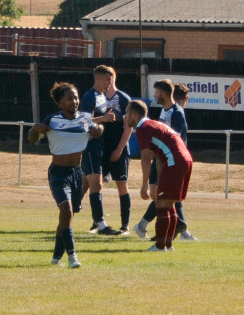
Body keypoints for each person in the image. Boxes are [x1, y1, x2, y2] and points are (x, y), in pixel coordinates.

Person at [28, 82, 104, 268]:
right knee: (66, 211)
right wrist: (34, 130)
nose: (74, 101)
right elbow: (31, 139)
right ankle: (72, 256)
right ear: (60, 102)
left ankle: (56, 258)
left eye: (76, 97)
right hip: (58, 174)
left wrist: (99, 130)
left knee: (67, 216)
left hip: (77, 174)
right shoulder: (51, 120)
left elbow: (98, 130)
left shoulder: (85, 119)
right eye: (69, 98)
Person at [133, 81, 197, 240]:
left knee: (168, 196)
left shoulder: (177, 112)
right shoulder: (164, 111)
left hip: (171, 159)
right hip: (162, 159)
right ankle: (178, 229)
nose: (154, 95)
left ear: (163, 93)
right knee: (163, 195)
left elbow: (175, 139)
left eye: (156, 92)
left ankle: (174, 230)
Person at [126, 100, 192, 252]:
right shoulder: (154, 124)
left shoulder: (143, 128)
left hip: (174, 161)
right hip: (184, 159)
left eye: (127, 113)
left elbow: (146, 158)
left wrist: (144, 185)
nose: (125, 116)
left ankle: (160, 246)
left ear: (134, 115)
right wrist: (156, 183)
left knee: (161, 205)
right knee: (169, 204)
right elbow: (159, 157)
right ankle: (167, 246)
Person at [80, 65, 131, 236]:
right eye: (108, 79)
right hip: (91, 146)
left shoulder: (102, 96)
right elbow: (83, 122)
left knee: (94, 184)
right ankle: (100, 225)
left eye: (111, 79)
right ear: (99, 79)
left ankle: (75, 214)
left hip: (100, 147)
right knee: (95, 184)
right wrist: (104, 118)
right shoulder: (89, 96)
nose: (110, 83)